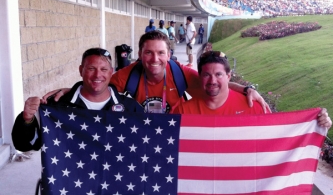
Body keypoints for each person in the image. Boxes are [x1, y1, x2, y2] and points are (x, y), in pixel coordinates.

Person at [43, 31, 270, 114]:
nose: (155, 59)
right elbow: (97, 83)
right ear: (139, 55)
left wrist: (247, 89)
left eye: (161, 53)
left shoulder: (181, 74)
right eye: (148, 53)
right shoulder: (126, 76)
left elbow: (213, 83)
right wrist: (73, 89)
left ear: (169, 55)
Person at [12, 48, 143, 152]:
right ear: (81, 70)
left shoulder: (130, 107)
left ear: (111, 72)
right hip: (70, 182)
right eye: (91, 69)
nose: (98, 75)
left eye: (103, 69)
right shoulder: (57, 105)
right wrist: (27, 120)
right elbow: (26, 146)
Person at [172, 50, 332, 130]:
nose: (212, 81)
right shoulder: (182, 111)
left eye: (218, 74)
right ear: (199, 77)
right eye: (207, 75)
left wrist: (316, 123)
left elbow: (279, 136)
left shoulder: (253, 107)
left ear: (229, 76)